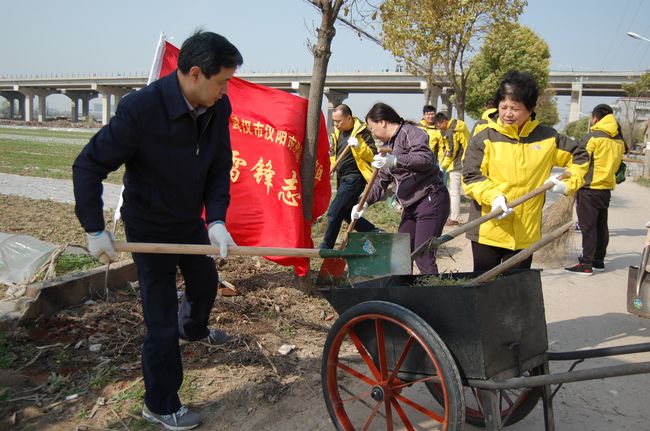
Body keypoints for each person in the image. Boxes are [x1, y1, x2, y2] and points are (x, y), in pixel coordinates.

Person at [72, 30, 243, 430]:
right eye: (221, 82)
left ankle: (193, 330)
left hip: (188, 219)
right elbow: (88, 165)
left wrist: (217, 219)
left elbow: (220, 165)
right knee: (160, 318)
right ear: (195, 74)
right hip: (149, 226)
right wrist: (94, 228)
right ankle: (160, 403)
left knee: (205, 283)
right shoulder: (141, 110)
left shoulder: (217, 107)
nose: (225, 91)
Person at [462, 70, 590, 272]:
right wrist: (494, 197)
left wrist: (568, 183)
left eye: (515, 108)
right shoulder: (484, 138)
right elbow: (471, 177)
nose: (508, 114)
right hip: (488, 230)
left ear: (530, 109)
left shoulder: (548, 138)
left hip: (526, 232)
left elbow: (580, 156)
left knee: (516, 286)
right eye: (503, 107)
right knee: (484, 286)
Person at [351, 102, 450, 274]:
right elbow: (380, 181)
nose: (372, 132)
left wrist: (396, 160)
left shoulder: (410, 132)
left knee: (422, 254)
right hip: (410, 205)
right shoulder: (387, 147)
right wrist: (363, 202)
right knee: (399, 254)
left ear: (382, 122)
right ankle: (402, 289)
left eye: (372, 127)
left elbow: (425, 158)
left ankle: (433, 287)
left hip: (430, 198)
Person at [564, 104, 627, 275]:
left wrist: (569, 183)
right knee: (601, 225)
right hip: (605, 189)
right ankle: (598, 260)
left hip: (589, 188)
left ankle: (586, 264)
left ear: (596, 118)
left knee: (588, 227)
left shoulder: (593, 137)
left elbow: (580, 162)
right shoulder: (618, 140)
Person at [319, 104, 379, 249]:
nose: (336, 124)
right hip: (342, 178)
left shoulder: (362, 131)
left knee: (334, 212)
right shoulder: (337, 132)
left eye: (338, 121)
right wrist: (332, 167)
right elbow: (333, 153)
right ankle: (373, 231)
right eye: (334, 121)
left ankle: (326, 246)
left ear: (349, 118)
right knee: (346, 212)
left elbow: (373, 155)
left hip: (355, 178)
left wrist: (359, 146)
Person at [433, 112, 470, 226]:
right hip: (468, 161)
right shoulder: (460, 126)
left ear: (444, 121)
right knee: (470, 190)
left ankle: (454, 218)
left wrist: (443, 165)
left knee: (454, 192)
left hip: (458, 164)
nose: (439, 129)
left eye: (439, 126)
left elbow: (451, 151)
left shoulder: (452, 131)